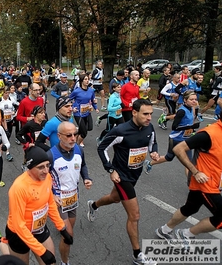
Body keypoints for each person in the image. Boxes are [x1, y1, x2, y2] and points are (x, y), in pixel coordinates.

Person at [88, 99, 159, 265]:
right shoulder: (121, 131)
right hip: (122, 177)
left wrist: (154, 152)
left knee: (114, 198)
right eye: (145, 114)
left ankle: (93, 205)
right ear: (134, 113)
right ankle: (137, 254)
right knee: (134, 215)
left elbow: (153, 142)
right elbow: (102, 148)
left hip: (136, 173)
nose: (149, 117)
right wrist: (111, 170)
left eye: (151, 114)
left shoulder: (149, 127)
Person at [0, 146, 73, 265]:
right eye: (40, 167)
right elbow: (19, 225)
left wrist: (62, 228)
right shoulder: (19, 188)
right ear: (30, 167)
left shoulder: (47, 177)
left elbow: (50, 204)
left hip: (39, 228)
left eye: (48, 165)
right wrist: (42, 252)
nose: (46, 171)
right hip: (19, 233)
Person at [155, 113, 222, 250]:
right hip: (205, 183)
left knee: (190, 208)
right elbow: (178, 149)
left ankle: (164, 230)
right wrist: (195, 172)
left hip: (214, 181)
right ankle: (187, 234)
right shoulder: (209, 134)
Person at [48, 122, 93, 265]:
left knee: (69, 229)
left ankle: (62, 230)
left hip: (73, 198)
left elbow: (83, 165)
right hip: (58, 201)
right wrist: (52, 195)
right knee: (69, 236)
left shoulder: (79, 150)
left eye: (75, 134)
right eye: (69, 135)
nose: (73, 138)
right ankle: (64, 262)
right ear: (59, 136)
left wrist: (86, 177)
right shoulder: (50, 155)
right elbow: (40, 179)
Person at [144, 90, 200, 175]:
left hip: (186, 139)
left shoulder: (192, 108)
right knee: (169, 157)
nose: (194, 101)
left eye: (195, 99)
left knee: (189, 162)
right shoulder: (182, 111)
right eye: (191, 99)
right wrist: (190, 127)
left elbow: (189, 123)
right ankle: (150, 163)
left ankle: (190, 183)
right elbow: (175, 127)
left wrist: (192, 130)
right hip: (176, 138)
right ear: (185, 100)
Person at [69, 73, 98, 147]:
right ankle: (76, 146)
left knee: (89, 127)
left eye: (88, 79)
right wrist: (72, 108)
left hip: (87, 112)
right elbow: (68, 99)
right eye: (85, 79)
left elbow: (93, 100)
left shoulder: (91, 90)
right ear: (81, 81)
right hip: (78, 113)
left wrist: (96, 107)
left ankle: (76, 133)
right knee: (84, 133)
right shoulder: (76, 91)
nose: (87, 81)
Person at [16, 105, 47, 171]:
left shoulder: (45, 123)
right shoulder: (29, 124)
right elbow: (18, 135)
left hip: (42, 146)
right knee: (31, 166)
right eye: (41, 113)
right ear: (35, 115)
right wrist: (27, 144)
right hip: (31, 147)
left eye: (44, 113)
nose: (43, 114)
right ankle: (25, 164)